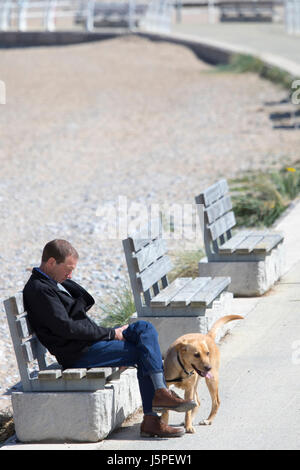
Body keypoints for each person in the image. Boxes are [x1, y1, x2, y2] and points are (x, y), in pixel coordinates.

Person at [23, 239, 196, 438]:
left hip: (89, 341)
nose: (70, 275)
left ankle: (159, 394)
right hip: (78, 353)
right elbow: (67, 328)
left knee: (144, 328)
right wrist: (111, 334)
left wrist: (107, 333)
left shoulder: (52, 282)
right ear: (51, 262)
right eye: (68, 269)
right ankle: (154, 411)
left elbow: (79, 313)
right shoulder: (39, 289)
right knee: (143, 352)